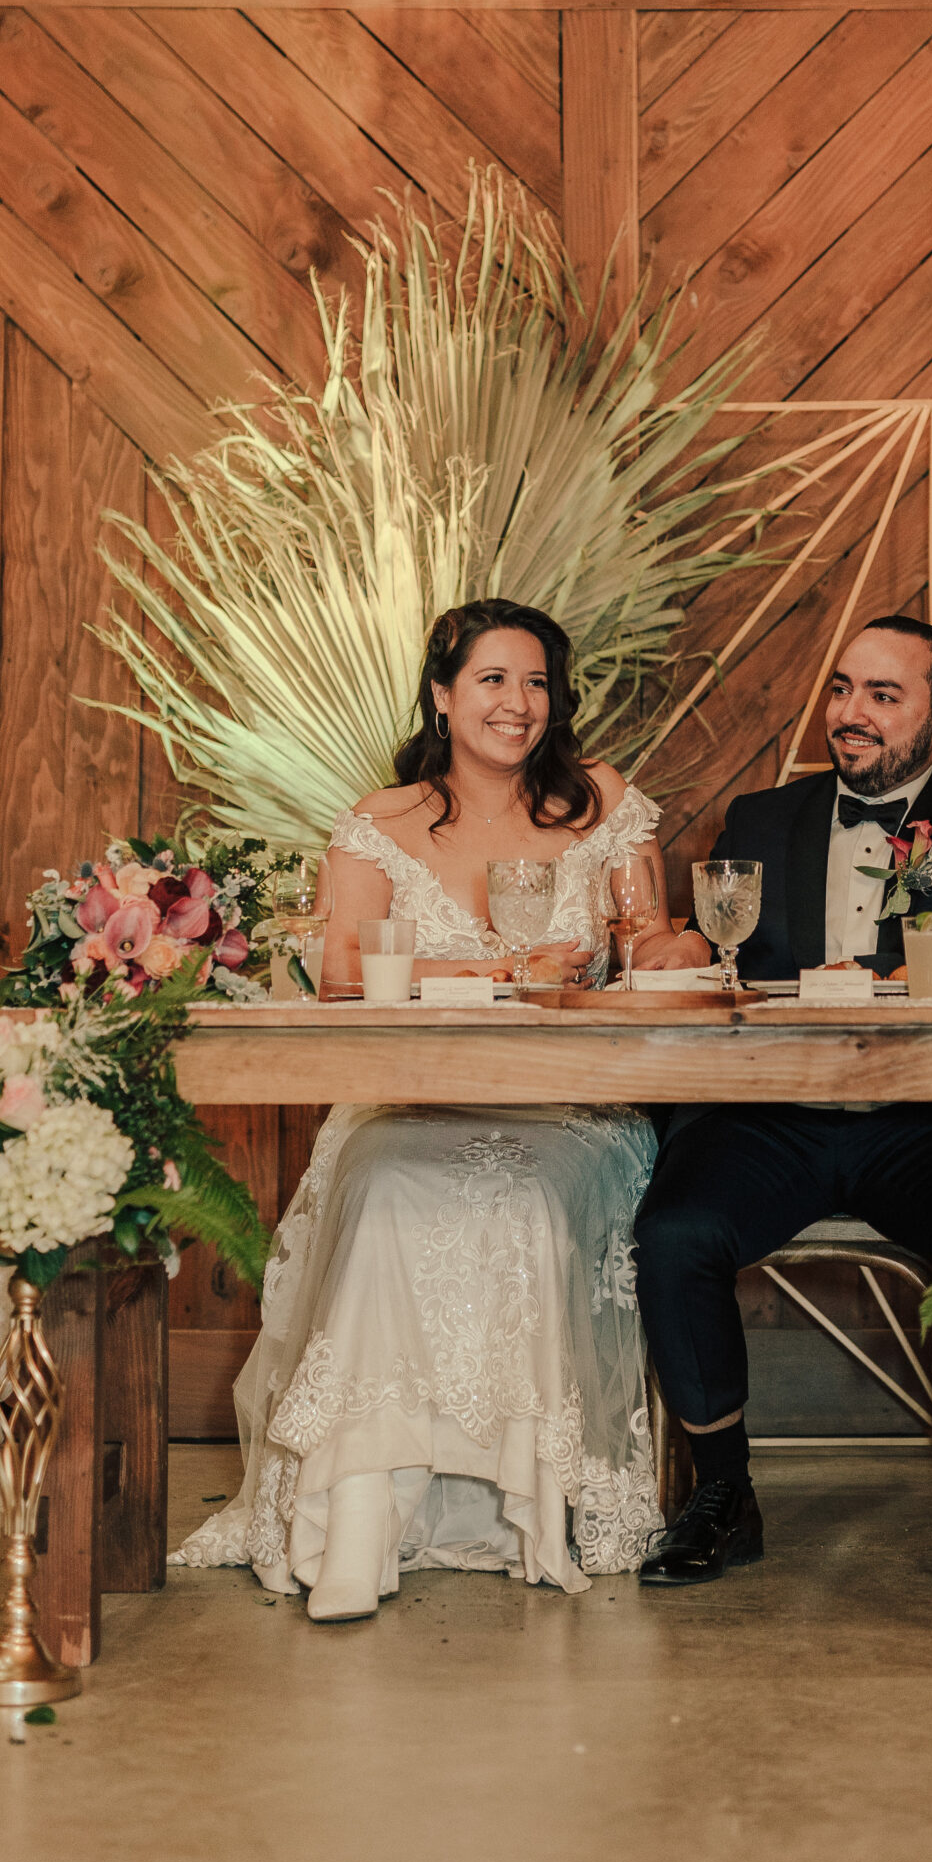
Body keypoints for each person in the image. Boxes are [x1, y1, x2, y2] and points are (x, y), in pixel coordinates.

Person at [174, 598, 705, 1619]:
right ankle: (358, 1522)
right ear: (442, 695)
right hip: (410, 1099)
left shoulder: (602, 801)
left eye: (538, 681)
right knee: (379, 1191)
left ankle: (528, 1509)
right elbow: (339, 974)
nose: (519, 703)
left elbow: (648, 944)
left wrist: (673, 946)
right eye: (494, 680)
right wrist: (505, 963)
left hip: (570, 1110)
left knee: (529, 1200)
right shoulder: (381, 822)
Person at [632, 613, 932, 1598]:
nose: (852, 713)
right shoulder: (758, 819)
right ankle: (721, 1492)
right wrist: (683, 953)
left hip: (927, 1120)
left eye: (884, 695)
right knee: (673, 1231)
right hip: (774, 1114)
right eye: (842, 690)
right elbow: (729, 961)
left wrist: (866, 980)